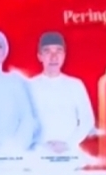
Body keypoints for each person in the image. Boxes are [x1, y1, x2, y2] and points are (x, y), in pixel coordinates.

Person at [28, 32, 97, 164]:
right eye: (47, 51)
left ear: (64, 55)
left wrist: (68, 144)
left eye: (58, 51)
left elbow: (87, 120)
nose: (53, 57)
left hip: (70, 156)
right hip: (37, 157)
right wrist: (40, 145)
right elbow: (23, 122)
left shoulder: (75, 85)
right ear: (40, 56)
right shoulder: (29, 86)